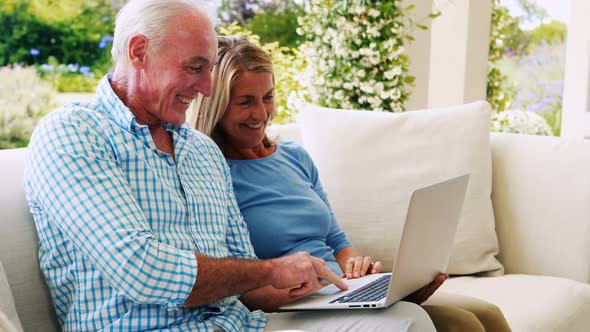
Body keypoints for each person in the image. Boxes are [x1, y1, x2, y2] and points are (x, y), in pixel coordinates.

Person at [23, 1, 436, 331]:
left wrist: (361, 294)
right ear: (138, 51)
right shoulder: (72, 134)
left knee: (404, 320)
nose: (206, 87)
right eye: (195, 67)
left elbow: (249, 284)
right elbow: (139, 268)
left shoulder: (200, 151)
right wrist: (273, 268)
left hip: (242, 325)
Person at [191, 35, 512, 332]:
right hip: (294, 303)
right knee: (458, 323)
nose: (261, 113)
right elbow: (231, 279)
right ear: (217, 104)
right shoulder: (213, 172)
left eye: (268, 96)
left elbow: (336, 239)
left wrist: (359, 268)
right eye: (246, 101)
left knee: (487, 314)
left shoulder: (292, 155)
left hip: (341, 288)